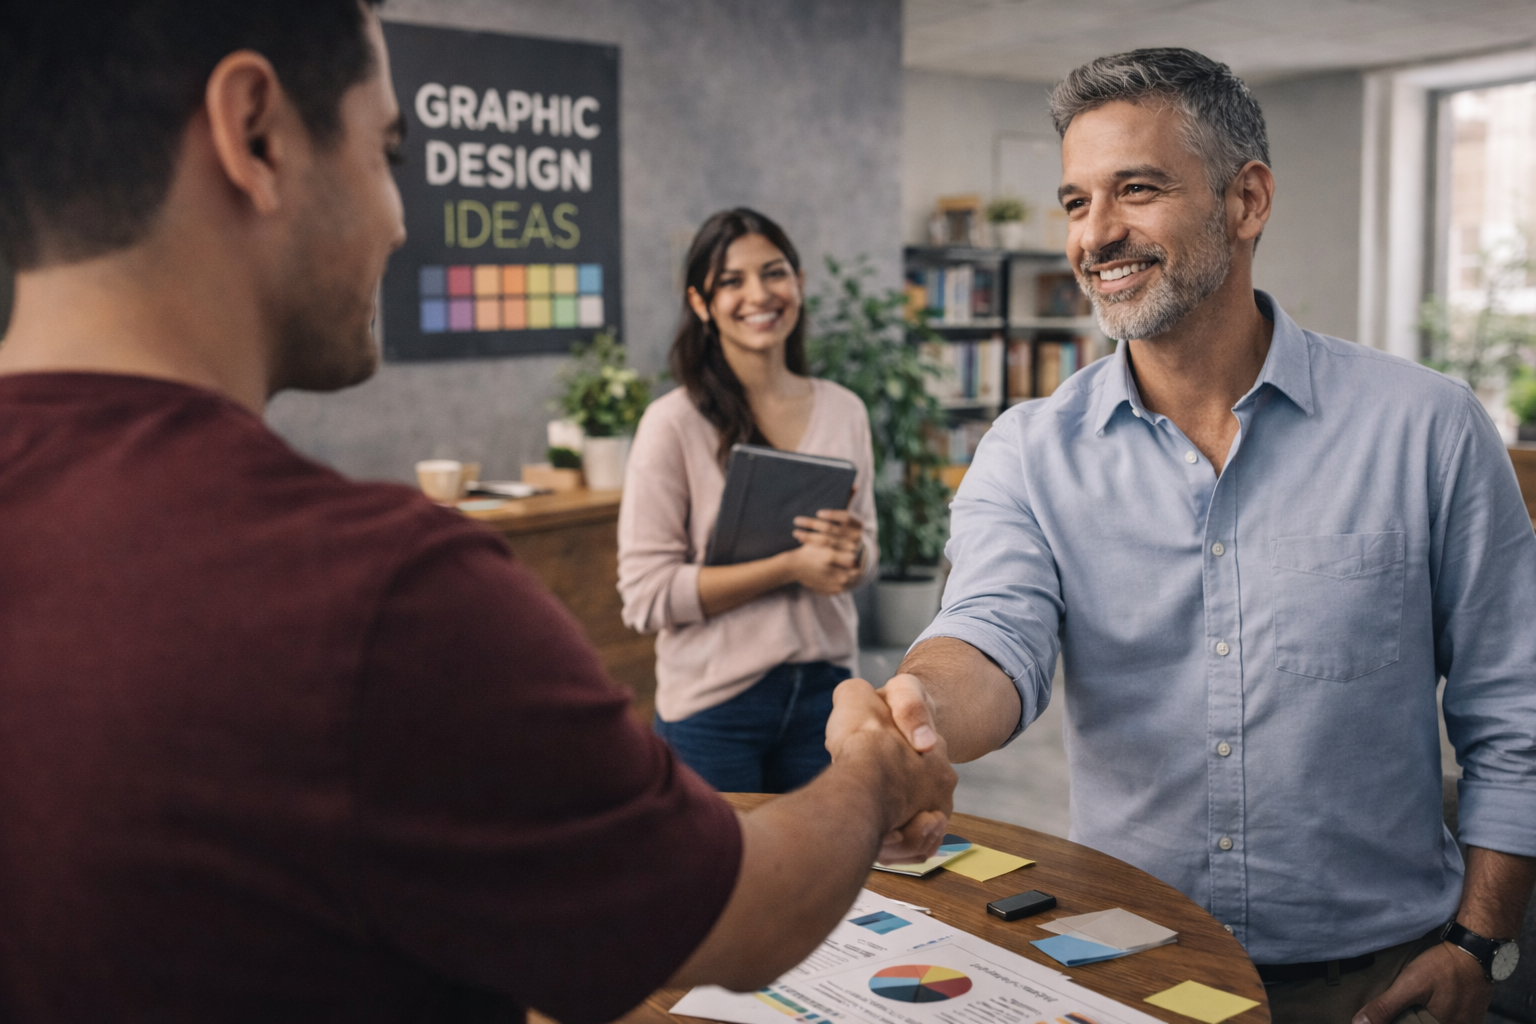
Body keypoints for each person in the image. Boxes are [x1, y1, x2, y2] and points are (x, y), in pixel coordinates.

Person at [0, 2, 956, 1020]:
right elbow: (739, 912)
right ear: (256, 134)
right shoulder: (391, 593)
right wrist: (873, 771)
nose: (399, 222)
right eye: (388, 151)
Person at [847, 48, 1536, 1024]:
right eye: (1076, 201)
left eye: (1136, 190)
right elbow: (992, 634)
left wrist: (1480, 942)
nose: (1096, 234)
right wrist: (914, 710)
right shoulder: (1030, 450)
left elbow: (1515, 704)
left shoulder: (1426, 427)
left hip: (1381, 984)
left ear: (1246, 200)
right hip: (1131, 969)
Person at [618, 208, 879, 793]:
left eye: (774, 272)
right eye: (732, 281)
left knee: (830, 856)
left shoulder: (844, 410)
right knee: (725, 859)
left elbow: (867, 553)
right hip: (713, 710)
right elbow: (645, 596)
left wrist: (852, 555)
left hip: (827, 698)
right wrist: (790, 567)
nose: (759, 294)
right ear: (700, 302)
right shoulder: (672, 424)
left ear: (799, 283)